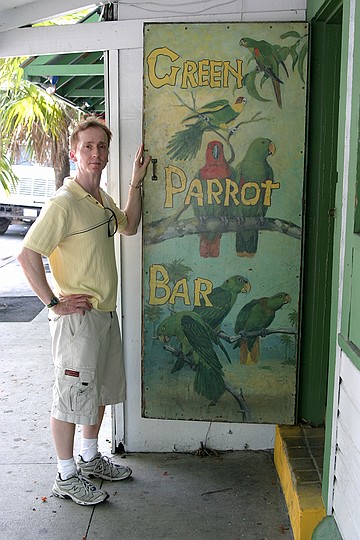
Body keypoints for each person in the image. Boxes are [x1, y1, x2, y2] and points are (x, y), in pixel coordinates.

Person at [17, 116, 151, 506]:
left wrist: (135, 183)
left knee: (100, 391)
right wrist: (54, 302)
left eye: (102, 147)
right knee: (70, 397)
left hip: (105, 315)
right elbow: (27, 255)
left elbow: (129, 226)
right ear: (74, 153)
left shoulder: (101, 200)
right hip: (76, 322)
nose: (96, 153)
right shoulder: (64, 203)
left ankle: (90, 460)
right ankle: (65, 475)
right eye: (88, 147)